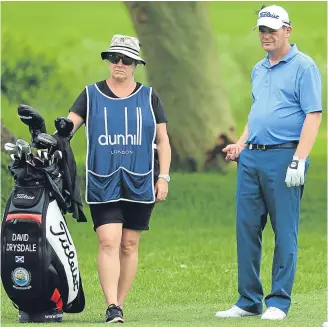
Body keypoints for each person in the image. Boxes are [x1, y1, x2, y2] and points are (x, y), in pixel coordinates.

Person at [215, 5, 322, 320]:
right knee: (247, 228)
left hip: (285, 157)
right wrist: (241, 144)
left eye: (272, 30)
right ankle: (248, 300)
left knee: (284, 231)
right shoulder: (258, 69)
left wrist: (299, 159)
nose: (266, 35)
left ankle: (278, 303)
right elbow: (257, 112)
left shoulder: (305, 67)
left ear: (287, 31)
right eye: (262, 30)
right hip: (252, 158)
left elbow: (313, 116)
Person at [67, 34, 171, 323]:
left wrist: (163, 177)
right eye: (115, 58)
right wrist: (52, 140)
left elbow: (163, 141)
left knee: (129, 244)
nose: (120, 64)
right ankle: (111, 304)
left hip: (141, 181)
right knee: (109, 240)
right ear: (109, 61)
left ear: (136, 63)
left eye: (126, 60)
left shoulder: (150, 97)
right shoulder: (90, 95)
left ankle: (119, 305)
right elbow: (68, 128)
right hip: (102, 180)